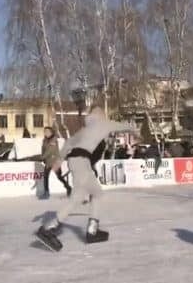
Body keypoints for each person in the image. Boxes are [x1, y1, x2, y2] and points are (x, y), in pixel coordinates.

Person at [34, 107, 136, 252]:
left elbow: (69, 142)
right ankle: (49, 229)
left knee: (95, 194)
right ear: (100, 114)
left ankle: (91, 230)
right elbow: (121, 126)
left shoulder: (84, 129)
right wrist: (135, 130)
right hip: (81, 161)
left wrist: (59, 160)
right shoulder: (103, 123)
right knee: (79, 198)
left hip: (78, 161)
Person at [40, 127, 72, 199]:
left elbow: (50, 150)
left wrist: (42, 157)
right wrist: (43, 158)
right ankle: (46, 192)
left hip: (55, 161)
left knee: (59, 177)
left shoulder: (54, 140)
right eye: (45, 131)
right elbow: (43, 149)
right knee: (45, 176)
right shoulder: (44, 140)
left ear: (51, 132)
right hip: (48, 161)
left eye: (47, 131)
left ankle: (69, 188)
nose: (46, 133)